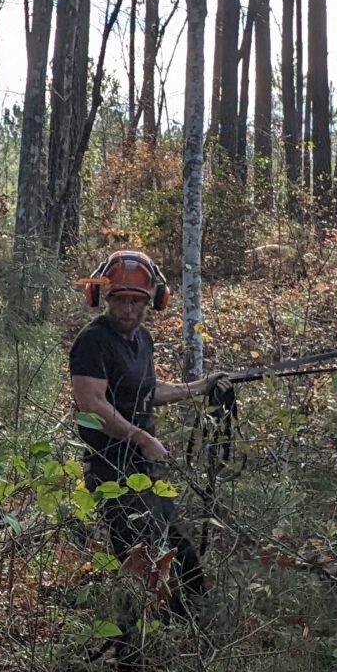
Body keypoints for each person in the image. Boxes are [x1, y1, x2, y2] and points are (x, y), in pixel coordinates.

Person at [68, 251, 213, 640]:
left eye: (137, 301)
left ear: (152, 302)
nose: (129, 308)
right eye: (121, 299)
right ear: (105, 299)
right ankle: (132, 655)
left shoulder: (142, 339)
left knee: (181, 553)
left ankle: (189, 636)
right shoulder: (93, 342)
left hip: (145, 469)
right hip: (111, 467)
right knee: (141, 560)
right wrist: (143, 438)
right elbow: (93, 405)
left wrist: (200, 387)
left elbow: (149, 391)